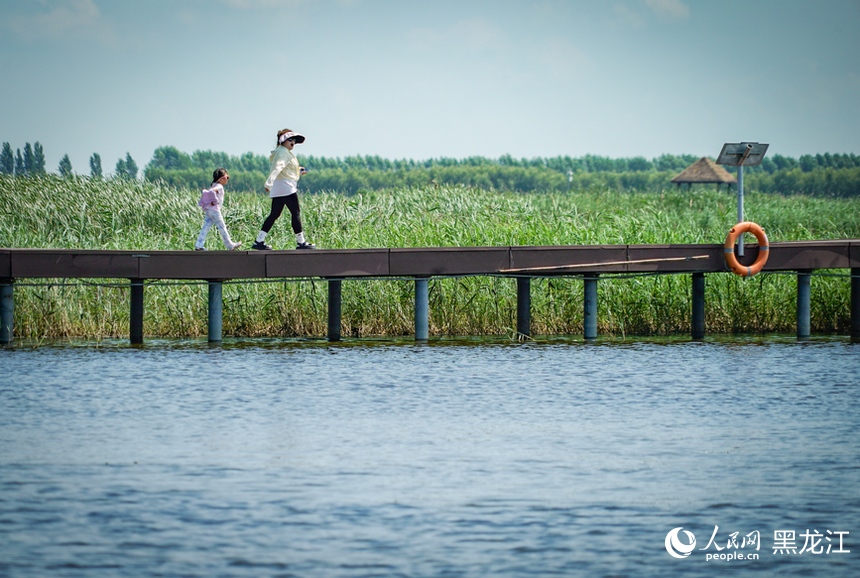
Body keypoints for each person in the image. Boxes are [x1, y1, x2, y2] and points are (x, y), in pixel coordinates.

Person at [252, 128, 315, 250]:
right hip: (286, 186)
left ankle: (259, 240)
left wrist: (298, 170)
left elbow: (285, 169)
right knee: (295, 212)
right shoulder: (283, 152)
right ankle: (301, 242)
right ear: (283, 141)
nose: (293, 142)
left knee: (274, 214)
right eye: (290, 139)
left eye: (294, 140)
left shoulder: (281, 151)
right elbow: (278, 167)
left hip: (279, 187)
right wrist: (268, 182)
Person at [194, 168, 242, 251]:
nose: (227, 180)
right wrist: (214, 200)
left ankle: (199, 245)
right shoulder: (219, 186)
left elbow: (210, 191)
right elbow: (211, 192)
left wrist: (211, 200)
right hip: (215, 211)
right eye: (227, 177)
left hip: (209, 210)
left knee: (206, 227)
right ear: (222, 178)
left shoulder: (214, 184)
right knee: (222, 227)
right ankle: (230, 245)